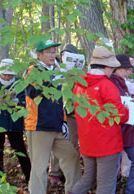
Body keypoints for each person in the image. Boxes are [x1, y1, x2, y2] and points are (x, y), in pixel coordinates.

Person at [69, 46, 129, 194]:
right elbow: (120, 115)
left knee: (87, 180)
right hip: (107, 144)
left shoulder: (79, 85)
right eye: (112, 69)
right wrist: (127, 109)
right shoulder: (107, 86)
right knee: (105, 186)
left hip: (87, 142)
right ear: (107, 67)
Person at [24, 39, 81, 194]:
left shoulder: (57, 71)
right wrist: (52, 81)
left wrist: (63, 121)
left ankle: (73, 190)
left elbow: (60, 100)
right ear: (39, 55)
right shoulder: (33, 70)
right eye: (48, 52)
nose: (51, 55)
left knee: (71, 157)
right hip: (39, 126)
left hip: (57, 126)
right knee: (39, 167)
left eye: (53, 51)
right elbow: (32, 92)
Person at [0, 58, 31, 184]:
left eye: (9, 74)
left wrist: (17, 102)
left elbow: (25, 103)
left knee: (20, 150)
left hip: (14, 124)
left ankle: (30, 178)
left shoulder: (19, 84)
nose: (7, 76)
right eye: (4, 74)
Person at [111, 54, 134, 194]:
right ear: (116, 68)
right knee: (113, 166)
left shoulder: (123, 83)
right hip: (116, 131)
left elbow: (127, 102)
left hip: (128, 130)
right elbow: (118, 107)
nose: (128, 72)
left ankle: (132, 189)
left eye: (129, 69)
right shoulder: (111, 83)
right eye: (125, 69)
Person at [48, 44, 80, 185]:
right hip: (58, 111)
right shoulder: (55, 69)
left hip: (73, 111)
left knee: (70, 142)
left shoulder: (78, 72)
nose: (64, 57)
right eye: (63, 55)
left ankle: (70, 175)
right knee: (59, 141)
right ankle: (54, 172)